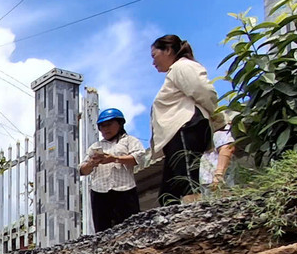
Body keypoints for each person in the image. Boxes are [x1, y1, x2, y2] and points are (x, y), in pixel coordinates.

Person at [148, 34, 223, 205]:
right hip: (178, 134)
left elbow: (202, 90)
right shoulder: (176, 71)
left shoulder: (182, 67)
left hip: (185, 128)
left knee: (187, 182)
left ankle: (196, 219)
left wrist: (217, 116)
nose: (153, 62)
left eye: (154, 55)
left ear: (167, 50)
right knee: (168, 193)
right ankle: (174, 226)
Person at [78, 108, 145, 232]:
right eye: (102, 126)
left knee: (130, 228)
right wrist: (92, 163)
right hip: (100, 192)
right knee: (102, 231)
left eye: (109, 124)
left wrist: (115, 158)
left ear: (119, 124)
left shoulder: (130, 141)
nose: (105, 129)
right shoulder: (95, 146)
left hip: (124, 189)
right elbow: (82, 170)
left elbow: (139, 158)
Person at [199, 120, 236, 192]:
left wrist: (219, 174)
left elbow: (227, 148)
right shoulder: (210, 133)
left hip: (217, 181)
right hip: (207, 181)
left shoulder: (222, 131)